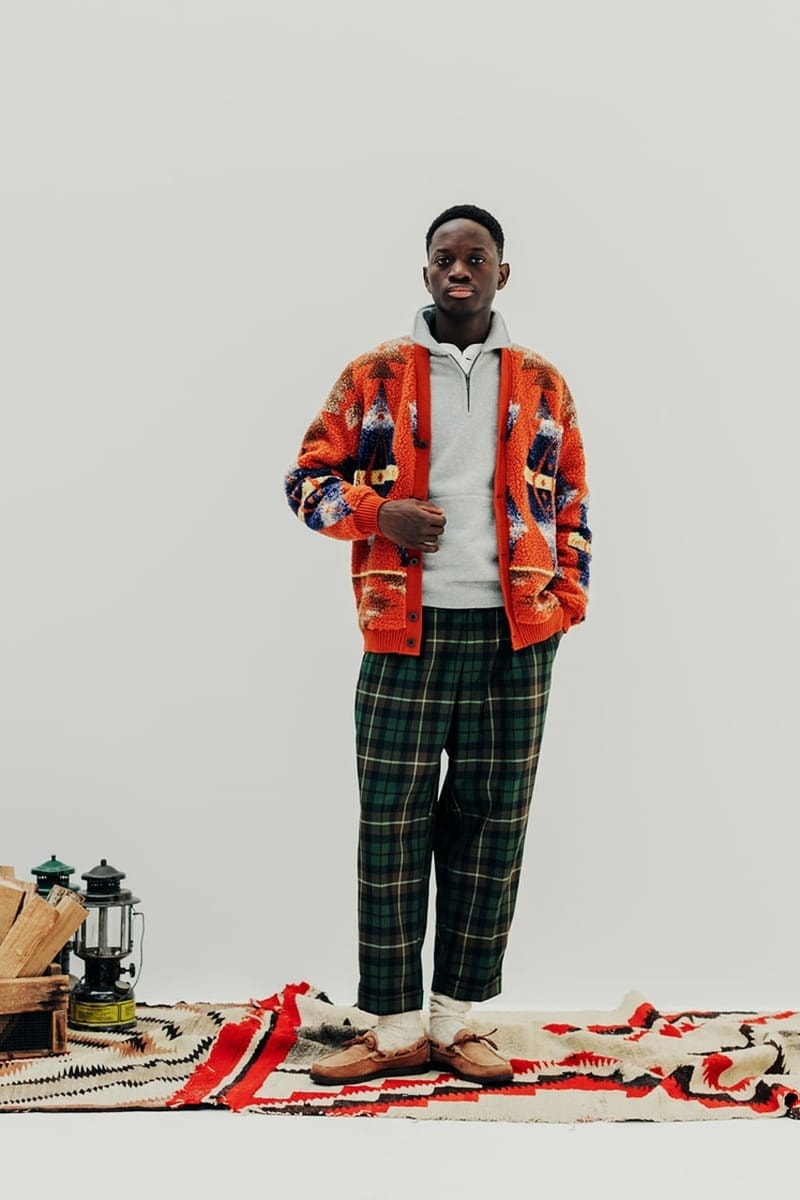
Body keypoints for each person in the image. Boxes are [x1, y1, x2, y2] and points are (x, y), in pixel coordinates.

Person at [285, 204, 591, 1085]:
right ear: (425, 273)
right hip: (403, 633)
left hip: (516, 636)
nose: (460, 271)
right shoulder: (374, 375)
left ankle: (455, 1024)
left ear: (502, 272)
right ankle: (392, 1028)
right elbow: (305, 479)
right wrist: (380, 514)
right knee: (391, 827)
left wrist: (565, 600)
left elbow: (572, 500)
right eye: (445, 258)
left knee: (491, 828)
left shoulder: (542, 383)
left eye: (476, 258)